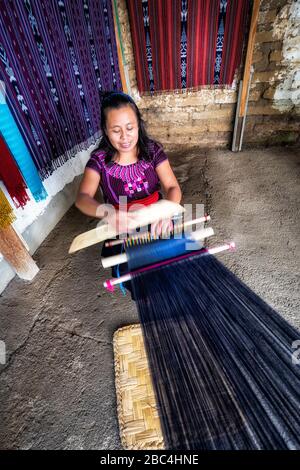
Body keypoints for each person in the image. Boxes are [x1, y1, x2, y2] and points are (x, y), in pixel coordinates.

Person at [75, 91, 182, 298]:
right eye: (116, 130)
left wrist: (166, 212)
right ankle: (148, 304)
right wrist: (107, 212)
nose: (124, 137)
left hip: (157, 218)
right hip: (121, 224)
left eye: (130, 128)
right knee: (137, 277)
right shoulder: (100, 160)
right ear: (105, 131)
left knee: (167, 267)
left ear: (139, 124)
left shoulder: (152, 151)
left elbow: (172, 187)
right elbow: (82, 198)